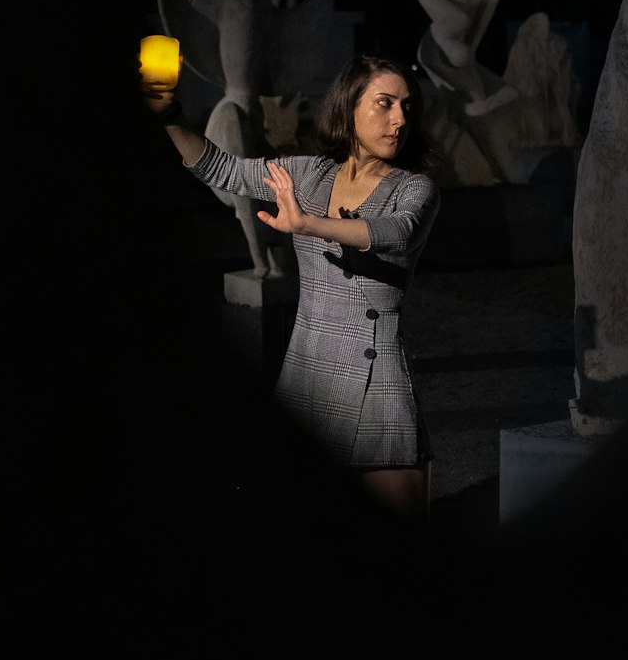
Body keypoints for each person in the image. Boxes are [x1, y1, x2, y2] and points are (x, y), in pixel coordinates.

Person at [144, 54, 441, 519]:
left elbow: (393, 233)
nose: (400, 118)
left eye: (406, 106)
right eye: (385, 103)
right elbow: (223, 170)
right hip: (308, 374)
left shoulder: (414, 189)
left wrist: (309, 224)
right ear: (348, 107)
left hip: (375, 381)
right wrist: (171, 118)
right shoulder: (307, 175)